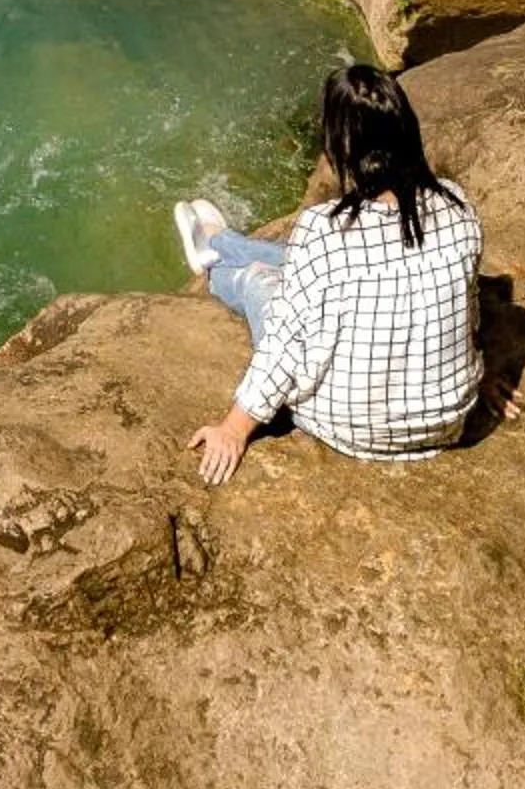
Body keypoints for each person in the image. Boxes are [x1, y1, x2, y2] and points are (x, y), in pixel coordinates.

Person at [179, 63, 482, 485]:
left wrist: (234, 428)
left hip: (348, 425)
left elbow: (284, 343)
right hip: (447, 422)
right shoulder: (458, 206)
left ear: (340, 143)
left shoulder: (324, 229)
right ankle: (226, 240)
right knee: (306, 262)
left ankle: (214, 261)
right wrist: (483, 371)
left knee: (263, 284)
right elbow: (464, 309)